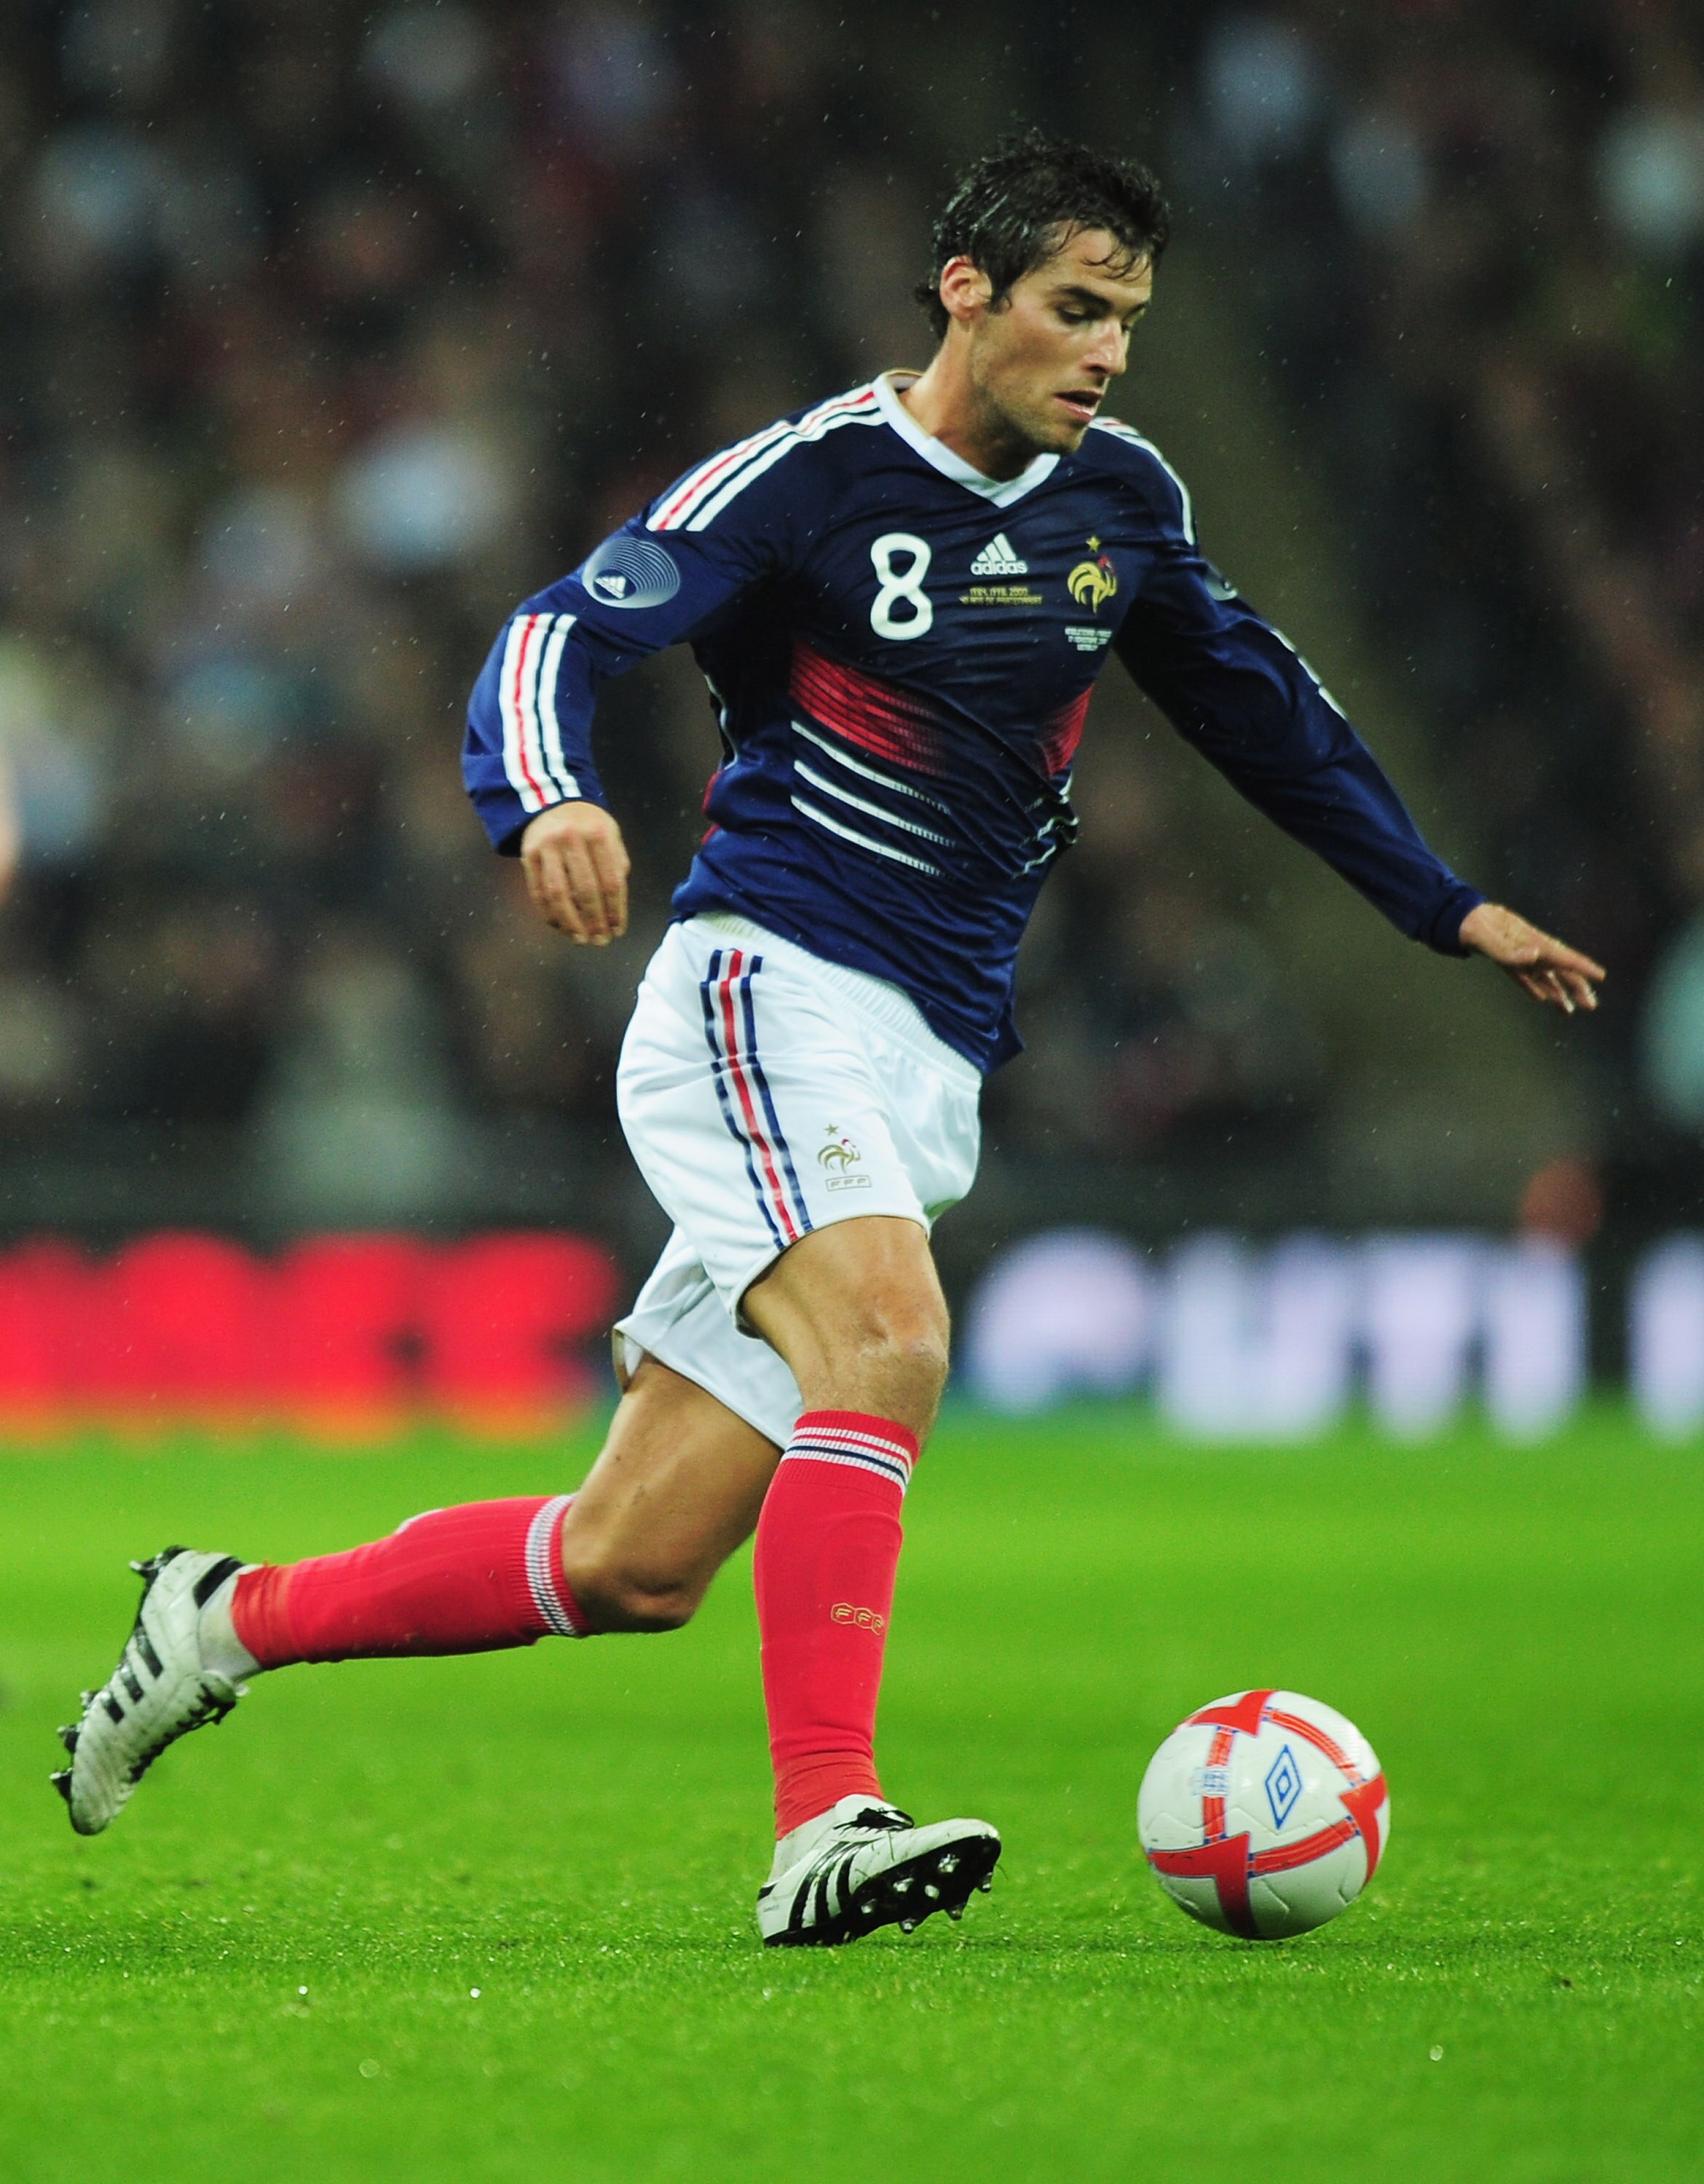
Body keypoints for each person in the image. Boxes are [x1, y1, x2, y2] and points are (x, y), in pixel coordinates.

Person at [52, 134, 1604, 1946]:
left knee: (631, 1561)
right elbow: (561, 629)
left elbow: (1267, 712)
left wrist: (1445, 903)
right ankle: (823, 1831)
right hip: (764, 988)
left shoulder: (1123, 505)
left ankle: (221, 1621)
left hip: (921, 1061)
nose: (1107, 354)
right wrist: (542, 799)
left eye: (1131, 322)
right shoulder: (811, 481)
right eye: (1076, 310)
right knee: (892, 1342)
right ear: (969, 290)